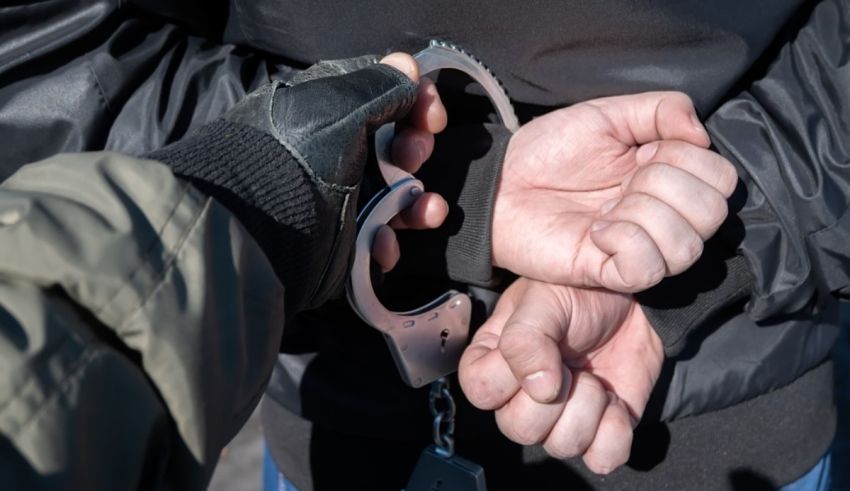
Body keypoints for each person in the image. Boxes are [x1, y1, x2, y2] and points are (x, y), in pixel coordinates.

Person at [1, 1, 847, 490]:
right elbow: (42, 46)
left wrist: (720, 229)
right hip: (326, 390)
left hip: (712, 380)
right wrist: (455, 194)